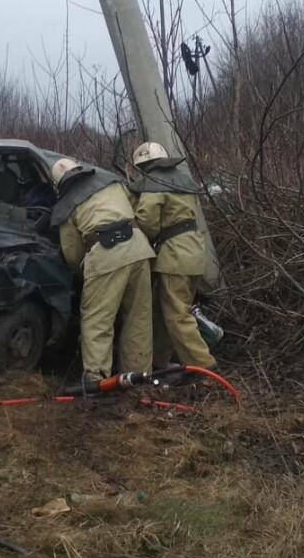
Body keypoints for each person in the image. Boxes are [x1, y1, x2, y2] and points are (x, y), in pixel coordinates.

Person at [50, 157, 155, 389]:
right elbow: (136, 206)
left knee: (97, 319)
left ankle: (96, 380)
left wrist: (82, 272)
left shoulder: (66, 205)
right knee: (139, 316)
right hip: (138, 248)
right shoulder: (110, 182)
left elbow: (72, 253)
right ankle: (138, 375)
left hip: (106, 254)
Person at [129, 141, 218, 371]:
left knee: (177, 316)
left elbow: (147, 224)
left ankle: (205, 367)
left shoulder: (154, 185)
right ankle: (159, 363)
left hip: (174, 258)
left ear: (143, 165)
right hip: (193, 253)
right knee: (162, 312)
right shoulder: (181, 181)